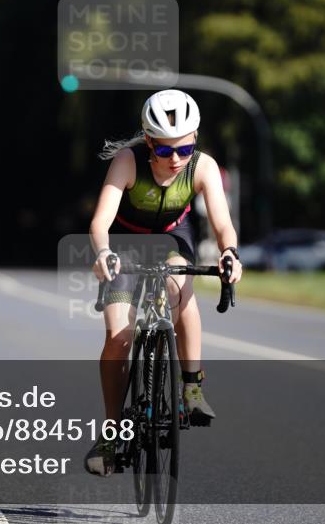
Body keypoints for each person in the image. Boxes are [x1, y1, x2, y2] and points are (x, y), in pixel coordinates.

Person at [85, 89, 243, 476]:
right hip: (125, 242)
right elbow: (100, 221)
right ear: (149, 142)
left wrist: (229, 254)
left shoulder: (202, 167)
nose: (175, 160)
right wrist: (103, 253)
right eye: (164, 151)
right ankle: (110, 431)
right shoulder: (128, 160)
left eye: (184, 151)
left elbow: (222, 223)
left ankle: (191, 386)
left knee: (179, 287)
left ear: (195, 144)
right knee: (118, 335)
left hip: (173, 239)